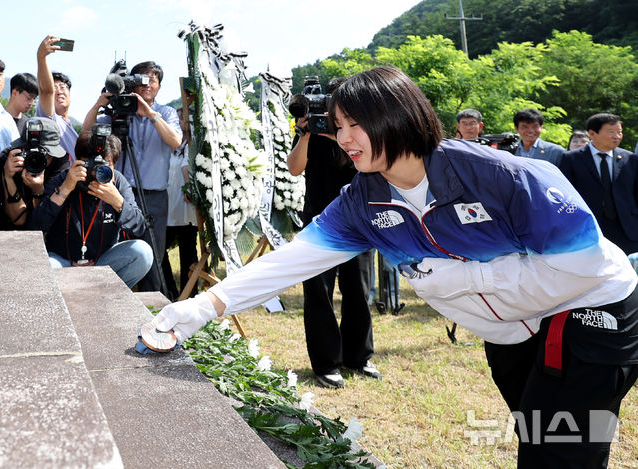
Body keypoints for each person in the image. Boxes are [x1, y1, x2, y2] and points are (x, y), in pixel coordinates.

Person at [149, 66, 638, 468]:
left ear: (397, 116)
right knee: (541, 435)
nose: (343, 139)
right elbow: (293, 260)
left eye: (353, 125)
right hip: (510, 331)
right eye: (337, 128)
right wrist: (203, 306)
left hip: (589, 310)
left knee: (559, 455)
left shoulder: (507, 177)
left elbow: (581, 265)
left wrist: (460, 277)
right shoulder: (363, 201)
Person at [286, 76, 377, 388]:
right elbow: (294, 168)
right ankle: (327, 363)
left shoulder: (361, 132)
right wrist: (307, 133)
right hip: (320, 223)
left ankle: (359, 357)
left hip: (359, 221)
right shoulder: (312, 129)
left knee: (358, 290)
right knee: (319, 293)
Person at [83, 60, 182, 293]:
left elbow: (176, 141)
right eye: (141, 80)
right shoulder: (119, 112)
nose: (147, 85)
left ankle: (152, 302)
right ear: (130, 84)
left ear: (159, 86)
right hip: (119, 193)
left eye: (152, 80)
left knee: (154, 253)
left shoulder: (165, 112)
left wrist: (149, 114)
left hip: (154, 196)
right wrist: (101, 103)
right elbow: (86, 133)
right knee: (115, 245)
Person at [29, 131, 152, 288]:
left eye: (105, 167)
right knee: (46, 268)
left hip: (103, 262)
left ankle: (108, 297)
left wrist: (118, 202)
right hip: (63, 262)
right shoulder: (64, 179)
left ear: (114, 165)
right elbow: (35, 227)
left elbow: (140, 226)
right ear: (78, 161)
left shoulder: (118, 183)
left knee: (142, 253)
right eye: (91, 166)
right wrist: (65, 189)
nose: (96, 173)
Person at [559, 113, 638, 255]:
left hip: (627, 228)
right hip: (589, 227)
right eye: (611, 132)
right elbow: (566, 195)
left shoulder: (630, 159)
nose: (617, 136)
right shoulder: (571, 159)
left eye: (619, 132)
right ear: (592, 134)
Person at [0, 117, 70, 227]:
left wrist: (38, 191)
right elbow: (18, 220)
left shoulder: (58, 162)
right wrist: (7, 177)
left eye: (44, 153)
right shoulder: (9, 159)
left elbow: (43, 222)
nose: (36, 158)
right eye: (30, 152)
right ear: (22, 149)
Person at [161, 107, 198, 299]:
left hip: (185, 207)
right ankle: (169, 292)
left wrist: (190, 187)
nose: (180, 123)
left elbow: (186, 167)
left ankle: (189, 294)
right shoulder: (169, 143)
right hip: (168, 206)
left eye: (182, 119)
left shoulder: (192, 144)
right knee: (159, 249)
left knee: (188, 251)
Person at [36, 35, 79, 161]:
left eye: (62, 87)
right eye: (54, 88)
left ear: (70, 95)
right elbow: (46, 91)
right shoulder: (49, 118)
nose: (58, 91)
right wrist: (41, 57)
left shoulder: (72, 129)